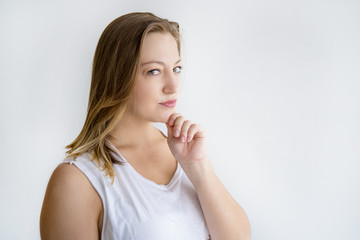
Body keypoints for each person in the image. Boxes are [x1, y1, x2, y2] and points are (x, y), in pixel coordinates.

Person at [39, 12, 251, 240]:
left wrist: (198, 167)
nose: (173, 86)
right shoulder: (76, 180)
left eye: (176, 68)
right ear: (117, 77)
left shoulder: (184, 152)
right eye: (154, 71)